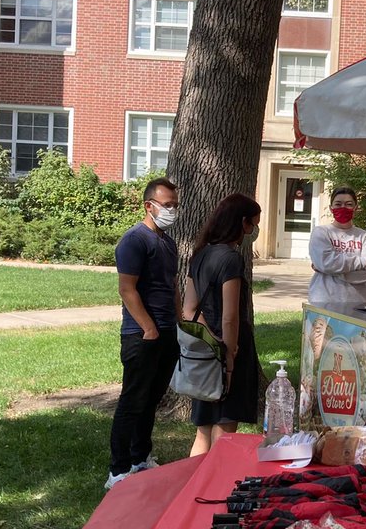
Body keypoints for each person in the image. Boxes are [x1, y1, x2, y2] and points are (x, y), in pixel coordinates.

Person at [106, 177, 181, 489]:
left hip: (167, 332)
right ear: (149, 206)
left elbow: (172, 286)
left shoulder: (167, 242)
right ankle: (117, 470)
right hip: (141, 335)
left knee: (151, 399)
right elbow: (127, 289)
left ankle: (141, 458)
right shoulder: (134, 241)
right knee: (132, 401)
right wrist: (148, 327)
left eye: (175, 205)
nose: (172, 210)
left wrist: (180, 321)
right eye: (166, 205)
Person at [182, 193, 262, 456]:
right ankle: (213, 488)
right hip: (232, 349)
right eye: (252, 224)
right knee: (226, 428)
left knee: (203, 429)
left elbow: (189, 309)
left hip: (205, 349)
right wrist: (227, 355)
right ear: (241, 222)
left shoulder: (200, 254)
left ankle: (193, 487)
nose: (253, 230)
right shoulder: (231, 259)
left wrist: (210, 340)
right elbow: (230, 316)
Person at [308, 186, 366, 307]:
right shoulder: (320, 232)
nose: (343, 208)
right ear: (331, 208)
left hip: (359, 303)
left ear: (355, 208)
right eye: (338, 204)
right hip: (324, 302)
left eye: (348, 204)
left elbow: (364, 274)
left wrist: (327, 269)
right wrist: (363, 262)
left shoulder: (365, 236)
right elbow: (327, 264)